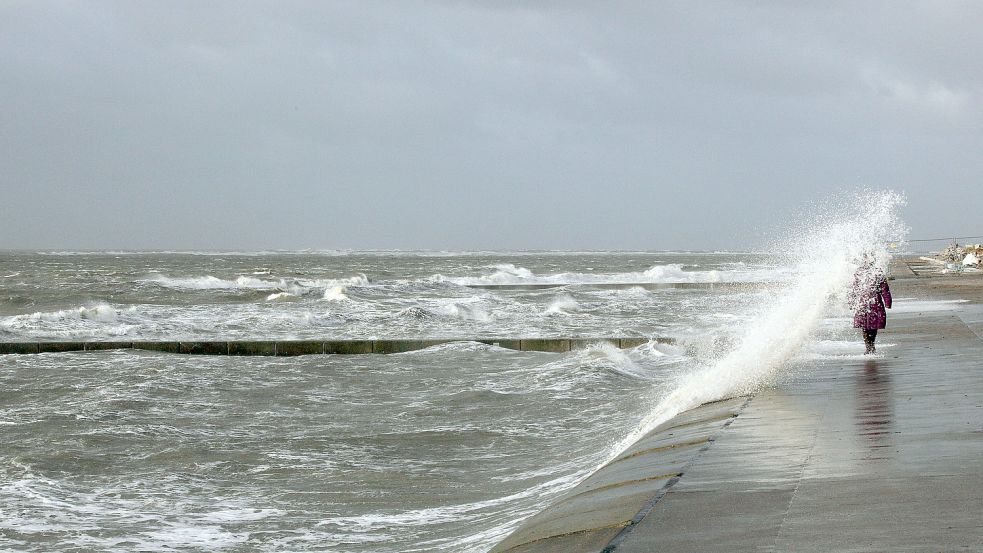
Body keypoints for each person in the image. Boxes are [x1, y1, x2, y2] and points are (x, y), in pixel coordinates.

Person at [850, 254, 892, 354]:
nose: (867, 261)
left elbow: (884, 289)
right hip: (862, 303)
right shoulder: (859, 272)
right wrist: (852, 301)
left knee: (873, 326)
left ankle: (871, 344)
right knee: (864, 326)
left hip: (875, 303)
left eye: (869, 259)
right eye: (865, 259)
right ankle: (868, 346)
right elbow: (854, 288)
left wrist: (888, 302)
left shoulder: (878, 272)